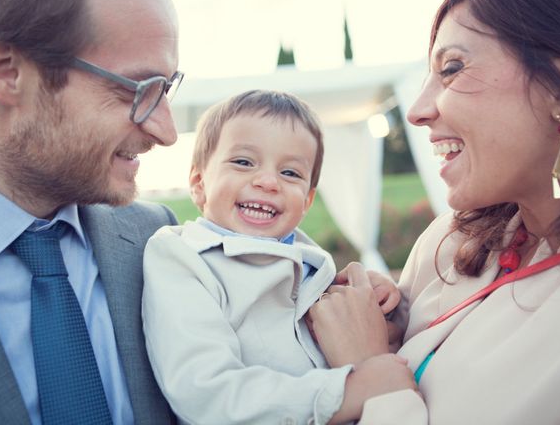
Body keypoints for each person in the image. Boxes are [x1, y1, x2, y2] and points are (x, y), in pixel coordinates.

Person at [308, 0, 560, 423]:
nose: (416, 110)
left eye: (451, 69)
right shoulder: (450, 239)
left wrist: (369, 372)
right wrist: (387, 325)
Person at [0, 0, 183, 423]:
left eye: (167, 89)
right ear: (7, 71)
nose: (167, 132)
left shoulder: (159, 242)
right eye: (135, 90)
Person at [142, 90, 415, 424]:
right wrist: (347, 392)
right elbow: (207, 392)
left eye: (290, 173)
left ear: (307, 200)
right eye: (243, 162)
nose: (268, 181)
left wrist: (387, 309)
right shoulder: (184, 257)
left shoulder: (313, 266)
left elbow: (362, 342)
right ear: (199, 183)